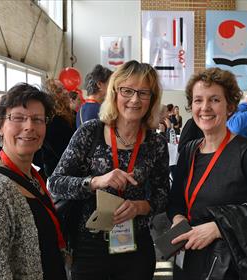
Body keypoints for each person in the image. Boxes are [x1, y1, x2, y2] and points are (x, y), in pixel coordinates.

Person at [48, 60, 170, 280]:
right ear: (114, 93)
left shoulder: (156, 143)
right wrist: (95, 181)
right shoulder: (90, 132)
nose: (135, 99)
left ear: (152, 99)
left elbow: (163, 192)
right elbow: (55, 183)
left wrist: (141, 206)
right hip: (90, 246)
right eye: (127, 91)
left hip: (136, 245)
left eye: (143, 93)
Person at [167, 67, 247, 280]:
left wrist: (219, 227)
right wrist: (177, 218)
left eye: (214, 100)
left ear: (230, 106)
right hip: (188, 256)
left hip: (229, 264)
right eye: (198, 100)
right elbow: (176, 201)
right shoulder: (188, 151)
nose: (205, 108)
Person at [0, 83, 67, 280]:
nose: (29, 126)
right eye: (18, 118)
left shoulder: (33, 176)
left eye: (37, 119)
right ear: (0, 125)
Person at [34, 79, 76, 178]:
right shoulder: (52, 121)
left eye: (64, 88)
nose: (66, 92)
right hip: (59, 174)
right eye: (59, 91)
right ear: (51, 97)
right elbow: (65, 153)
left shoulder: (70, 114)